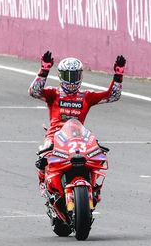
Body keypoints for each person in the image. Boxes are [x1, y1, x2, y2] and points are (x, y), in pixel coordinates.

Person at [29, 51, 126, 195]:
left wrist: (118, 75)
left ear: (80, 76)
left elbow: (113, 96)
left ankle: (92, 187)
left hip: (78, 136)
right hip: (55, 136)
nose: (71, 80)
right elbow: (34, 92)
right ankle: (43, 183)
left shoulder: (86, 96)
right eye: (68, 75)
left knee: (97, 153)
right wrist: (44, 70)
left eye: (75, 75)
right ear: (60, 76)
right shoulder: (53, 94)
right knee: (43, 156)